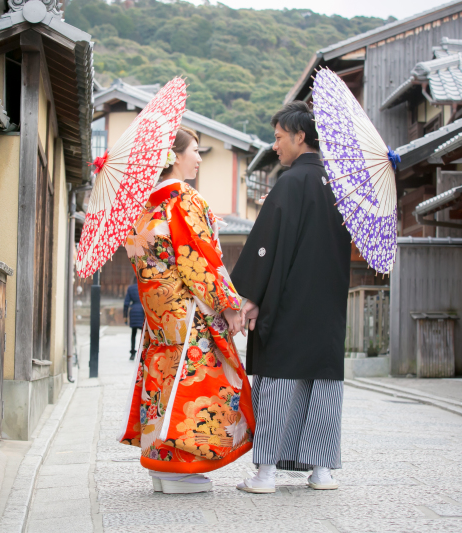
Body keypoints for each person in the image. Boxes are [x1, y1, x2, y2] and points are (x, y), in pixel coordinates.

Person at [118, 126, 255, 494]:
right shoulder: (184, 199)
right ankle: (180, 467)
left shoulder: (145, 207)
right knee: (196, 386)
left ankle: (162, 466)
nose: (198, 158)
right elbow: (200, 260)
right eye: (195, 150)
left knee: (163, 385)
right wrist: (228, 305)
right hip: (190, 311)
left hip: (159, 318)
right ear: (174, 156)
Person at [227, 101, 351, 494]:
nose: (275, 145)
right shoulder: (341, 186)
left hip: (290, 301)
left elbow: (268, 247)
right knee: (323, 383)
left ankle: (266, 474)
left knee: (279, 381)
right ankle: (322, 471)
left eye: (279, 137)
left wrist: (251, 295)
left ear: (300, 136)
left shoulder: (291, 183)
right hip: (329, 303)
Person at [123, 281, 145, 360]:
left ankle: (132, 353)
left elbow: (126, 303)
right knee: (144, 334)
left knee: (133, 334)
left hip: (133, 311)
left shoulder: (131, 288)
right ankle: (143, 352)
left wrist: (125, 316)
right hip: (143, 311)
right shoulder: (144, 287)